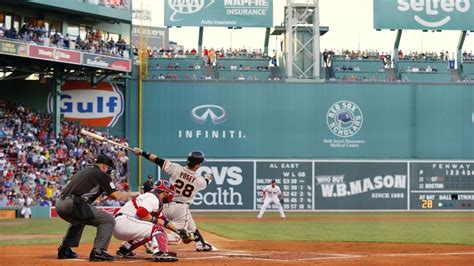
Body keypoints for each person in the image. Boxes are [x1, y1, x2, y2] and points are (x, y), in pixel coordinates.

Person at [132, 148, 216, 252]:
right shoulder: (200, 181)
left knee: (190, 223)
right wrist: (209, 178)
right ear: (197, 165)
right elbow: (206, 182)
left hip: (165, 204)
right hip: (181, 208)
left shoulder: (176, 168)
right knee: (177, 237)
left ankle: (200, 244)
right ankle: (151, 242)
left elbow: (156, 159)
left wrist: (141, 152)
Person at [55, 154, 132, 261]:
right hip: (74, 203)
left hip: (60, 204)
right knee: (108, 220)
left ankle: (64, 250)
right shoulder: (102, 174)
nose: (109, 171)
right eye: (108, 168)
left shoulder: (84, 171)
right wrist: (131, 194)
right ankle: (98, 251)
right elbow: (116, 196)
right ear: (104, 166)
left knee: (79, 221)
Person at [114, 180, 182, 262]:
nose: (171, 195)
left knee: (149, 229)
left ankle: (125, 249)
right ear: (163, 192)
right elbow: (141, 212)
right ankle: (160, 252)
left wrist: (178, 231)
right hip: (124, 222)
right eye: (169, 193)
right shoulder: (153, 198)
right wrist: (155, 220)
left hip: (121, 224)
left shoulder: (152, 198)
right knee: (158, 228)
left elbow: (163, 220)